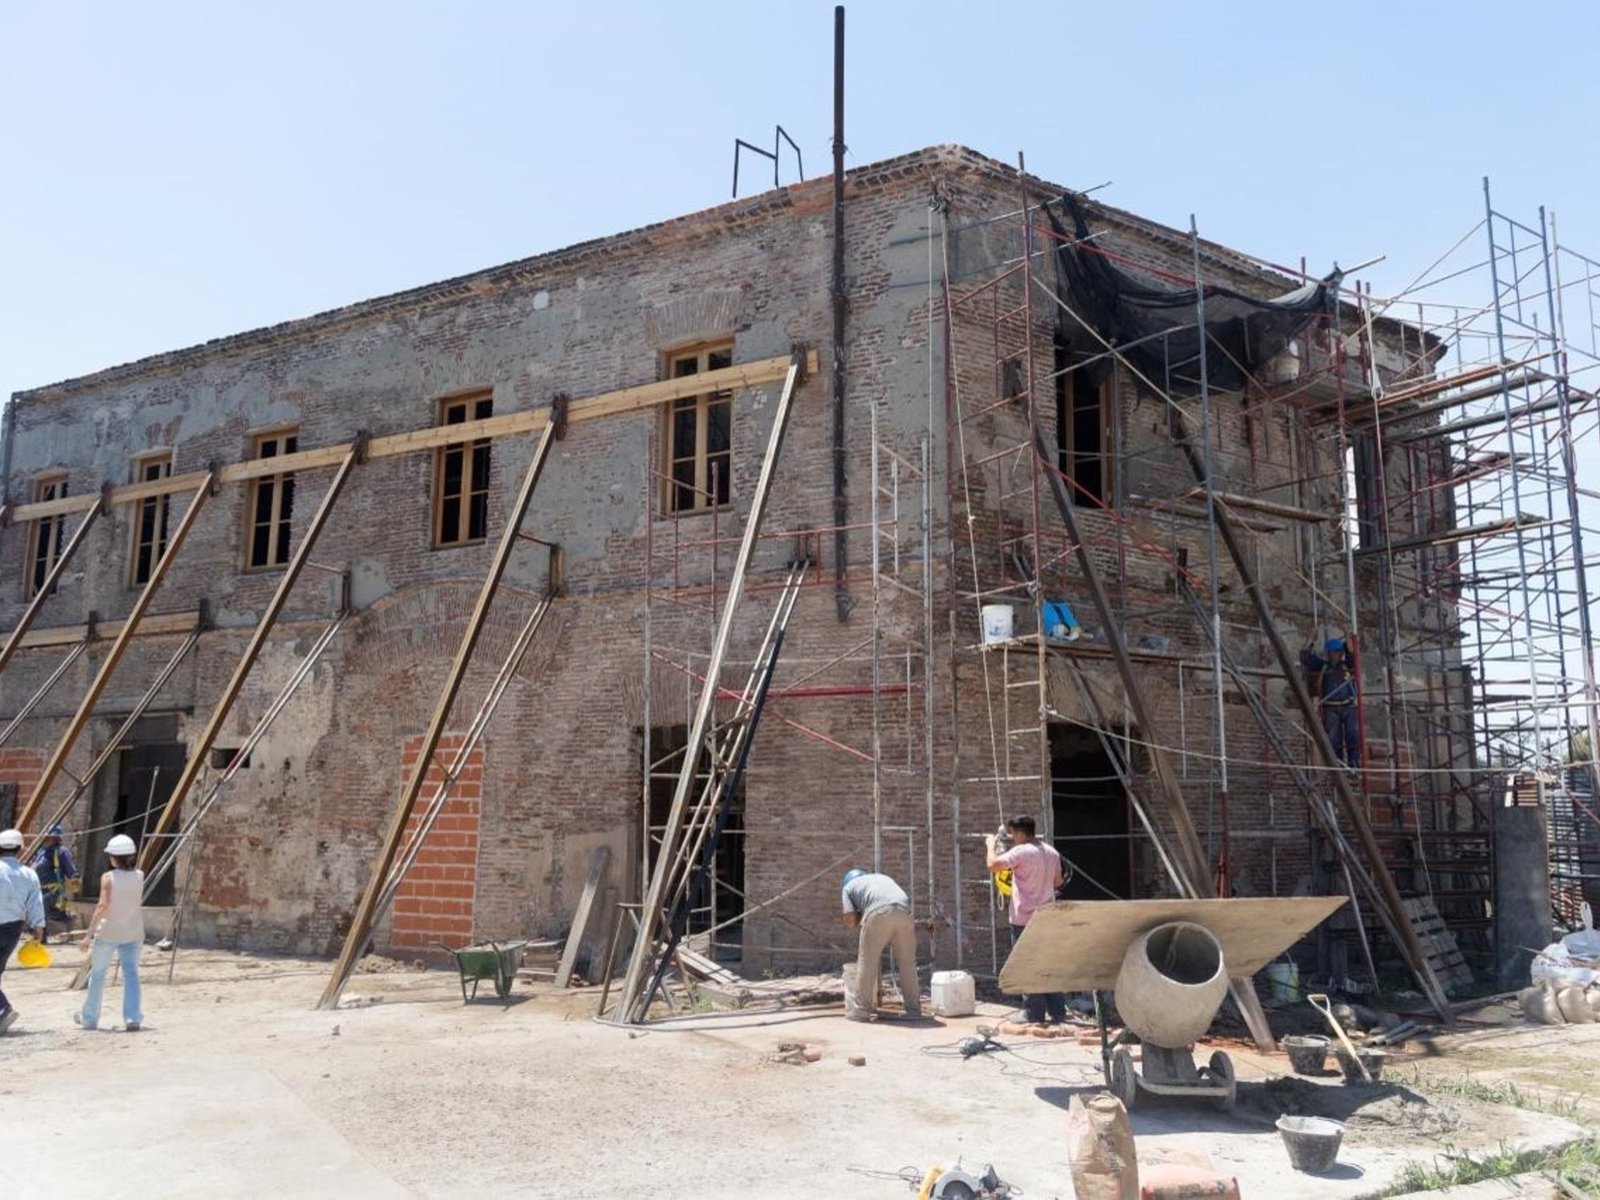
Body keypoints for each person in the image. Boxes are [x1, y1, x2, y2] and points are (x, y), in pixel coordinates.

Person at [986, 815, 1067, 1025]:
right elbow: (1058, 882)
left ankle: (1033, 1013)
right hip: (1047, 916)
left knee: (1027, 964)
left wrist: (990, 845)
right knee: (1048, 963)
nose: (1012, 838)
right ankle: (1058, 1013)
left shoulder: (1021, 852)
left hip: (1024, 919)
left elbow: (993, 865)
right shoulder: (1051, 852)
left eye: (1013, 833)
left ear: (1021, 832)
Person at [76, 834, 145, 1032]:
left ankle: (89, 1018)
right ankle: (132, 1018)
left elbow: (102, 905)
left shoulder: (108, 878)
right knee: (131, 974)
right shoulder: (140, 875)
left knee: (98, 974)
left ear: (113, 857)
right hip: (133, 931)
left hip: (108, 932)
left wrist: (89, 934)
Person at [839, 868, 922, 1022]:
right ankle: (914, 1011)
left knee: (867, 963)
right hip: (904, 911)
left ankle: (861, 1011)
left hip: (878, 912)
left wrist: (860, 917)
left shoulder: (848, 888)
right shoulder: (881, 877)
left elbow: (850, 920)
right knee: (907, 964)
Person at [0, 827, 47, 1035]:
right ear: (20, 848)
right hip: (13, 929)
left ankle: (4, 1008)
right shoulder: (29, 874)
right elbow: (36, 903)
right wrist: (39, 930)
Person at [1302, 635, 1362, 767]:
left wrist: (1347, 636)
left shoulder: (1348, 665)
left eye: (1338, 652)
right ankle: (1338, 767)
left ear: (1341, 653)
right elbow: (1305, 657)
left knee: (1352, 737)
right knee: (1334, 741)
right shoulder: (1323, 666)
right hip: (1330, 709)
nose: (1335, 655)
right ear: (1328, 654)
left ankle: (1354, 765)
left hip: (1349, 707)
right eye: (1332, 652)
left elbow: (1354, 654)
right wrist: (1311, 637)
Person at [30, 824, 79, 939]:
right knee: (47, 912)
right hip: (38, 888)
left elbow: (72, 871)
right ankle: (67, 917)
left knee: (40, 910)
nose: (50, 838)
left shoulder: (62, 852)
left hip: (53, 889)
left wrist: (74, 886)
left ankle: (40, 938)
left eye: (53, 836)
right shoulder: (42, 851)